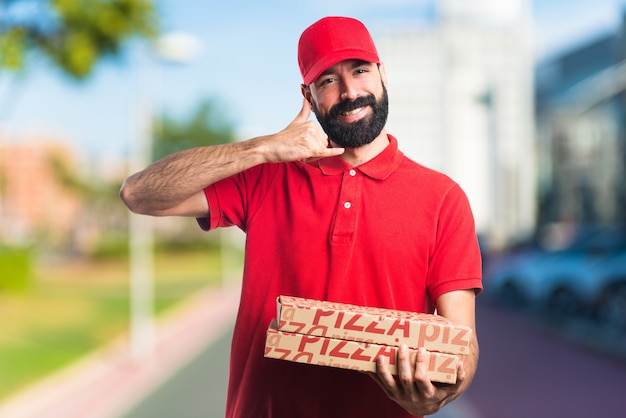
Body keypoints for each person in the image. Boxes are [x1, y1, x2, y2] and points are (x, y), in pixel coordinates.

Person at [120, 16, 482, 418]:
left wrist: (438, 395)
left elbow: (462, 342)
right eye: (327, 80)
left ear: (382, 75)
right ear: (307, 97)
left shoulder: (442, 198)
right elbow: (139, 194)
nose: (348, 92)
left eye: (360, 71)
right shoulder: (266, 176)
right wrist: (262, 148)